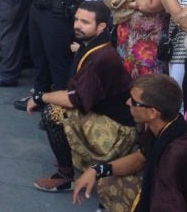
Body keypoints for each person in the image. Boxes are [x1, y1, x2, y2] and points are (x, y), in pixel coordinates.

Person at [27, 1, 137, 193]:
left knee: (53, 113)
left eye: (85, 22)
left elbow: (73, 99)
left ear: (101, 26)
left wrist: (40, 97)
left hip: (118, 130)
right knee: (56, 108)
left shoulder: (101, 56)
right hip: (104, 114)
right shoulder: (92, 46)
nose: (77, 25)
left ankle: (64, 176)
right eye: (76, 19)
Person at [72, 74, 187, 211]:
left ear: (152, 112)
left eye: (134, 101)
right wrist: (97, 170)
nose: (127, 102)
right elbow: (140, 158)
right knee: (107, 179)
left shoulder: (174, 155)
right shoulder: (163, 125)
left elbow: (168, 205)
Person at [151, 0, 187, 114]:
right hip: (176, 53)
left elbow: (182, 20)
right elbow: (168, 8)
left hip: (183, 55)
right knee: (177, 103)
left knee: (179, 103)